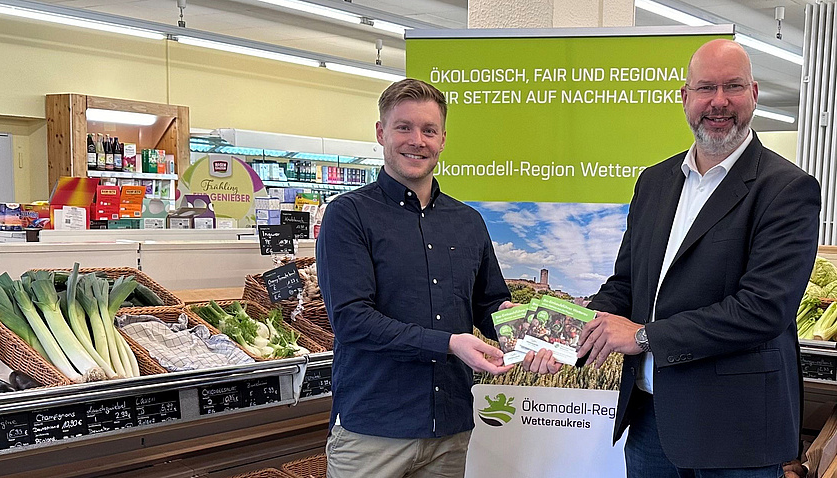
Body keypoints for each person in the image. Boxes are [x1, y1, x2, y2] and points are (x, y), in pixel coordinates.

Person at [576, 39, 820, 477]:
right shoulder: (653, 182)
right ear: (684, 97)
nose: (719, 102)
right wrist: (566, 329)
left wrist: (645, 336)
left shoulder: (786, 189)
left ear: (754, 94)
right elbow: (627, 283)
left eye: (733, 87)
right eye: (706, 88)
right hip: (652, 420)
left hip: (737, 433)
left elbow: (763, 309)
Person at [316, 78, 554, 478]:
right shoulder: (348, 215)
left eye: (428, 130)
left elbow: (489, 303)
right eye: (403, 127)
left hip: (450, 430)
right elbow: (352, 320)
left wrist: (526, 335)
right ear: (381, 133)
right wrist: (448, 344)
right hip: (373, 433)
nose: (417, 140)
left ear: (443, 139)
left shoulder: (468, 222)